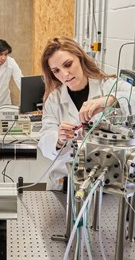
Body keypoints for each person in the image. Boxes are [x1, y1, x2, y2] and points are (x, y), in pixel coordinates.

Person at [38, 36, 134, 190]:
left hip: (107, 183)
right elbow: (44, 141)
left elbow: (131, 96)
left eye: (68, 64)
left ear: (80, 58)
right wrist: (58, 139)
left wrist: (110, 100)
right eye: (56, 71)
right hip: (65, 183)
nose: (65, 74)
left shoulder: (107, 86)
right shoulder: (54, 100)